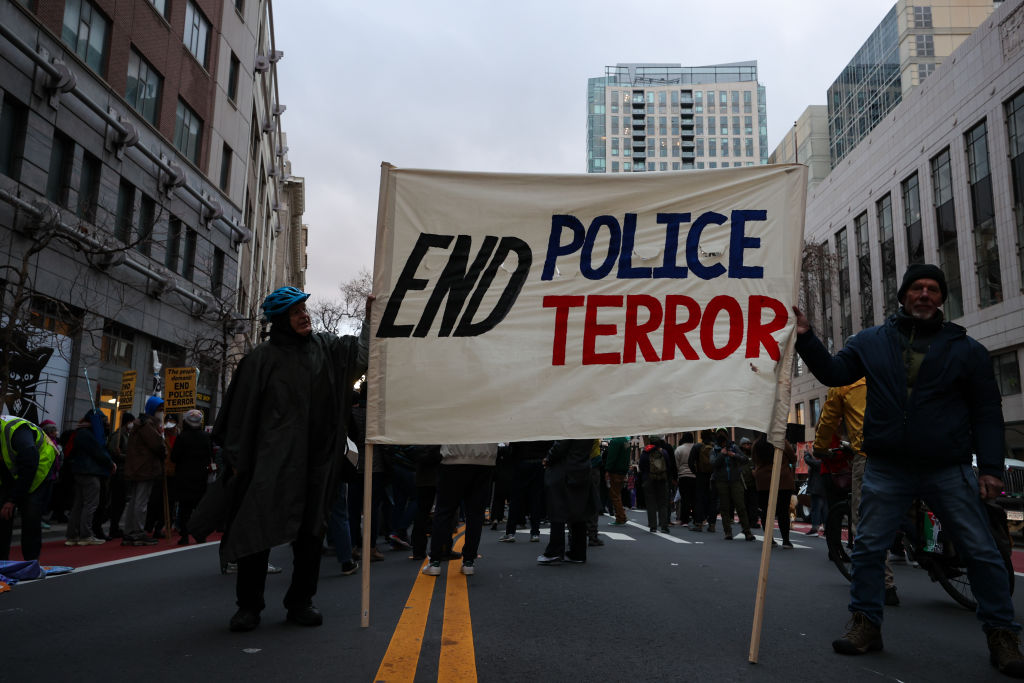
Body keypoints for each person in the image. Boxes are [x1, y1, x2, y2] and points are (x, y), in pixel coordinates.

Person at [793, 263, 1024, 676]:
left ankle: (1002, 634)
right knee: (866, 548)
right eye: (916, 288)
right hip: (887, 466)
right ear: (902, 296)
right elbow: (833, 373)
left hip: (947, 467)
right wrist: (806, 337)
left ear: (941, 298)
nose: (924, 294)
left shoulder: (966, 349)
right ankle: (866, 623)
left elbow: (987, 412)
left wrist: (990, 468)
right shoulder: (869, 342)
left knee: (982, 552)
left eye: (933, 288)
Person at [214, 286, 369, 632]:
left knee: (311, 533)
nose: (304, 315)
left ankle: (301, 601)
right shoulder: (259, 360)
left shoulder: (325, 348)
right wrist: (238, 461)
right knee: (257, 532)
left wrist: (370, 318)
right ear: (280, 320)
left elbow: (360, 356)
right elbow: (239, 416)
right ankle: (249, 606)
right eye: (296, 312)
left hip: (315, 462)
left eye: (304, 309)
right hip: (270, 464)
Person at [813, 367, 900, 606]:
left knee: (865, 520)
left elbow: (828, 419)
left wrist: (820, 449)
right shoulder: (887, 372)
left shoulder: (843, 382)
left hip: (869, 453)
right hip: (904, 449)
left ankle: (885, 585)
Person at [422, 443, 497, 576]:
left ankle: (435, 562)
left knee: (444, 511)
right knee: (475, 514)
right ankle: (468, 562)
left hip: (453, 457)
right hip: (485, 458)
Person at [0, 416, 57, 561]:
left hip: (38, 466)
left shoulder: (15, 432)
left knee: (30, 513)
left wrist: (12, 499)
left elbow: (30, 463)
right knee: (3, 514)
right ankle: (2, 561)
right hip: (16, 469)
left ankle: (31, 561)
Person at [537, 439, 599, 565]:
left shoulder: (570, 422)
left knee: (557, 509)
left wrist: (548, 458)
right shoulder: (589, 425)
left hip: (564, 469)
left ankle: (554, 552)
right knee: (579, 512)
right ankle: (578, 553)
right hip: (582, 468)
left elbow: (561, 445)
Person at [66, 410, 115, 546]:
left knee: (78, 505)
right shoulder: (88, 435)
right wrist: (110, 463)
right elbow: (98, 452)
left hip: (79, 471)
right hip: (90, 472)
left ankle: (72, 535)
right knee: (90, 505)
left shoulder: (80, 432)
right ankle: (86, 535)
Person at [121, 396, 165, 547]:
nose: (162, 413)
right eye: (160, 410)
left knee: (134, 501)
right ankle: (138, 532)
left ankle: (130, 532)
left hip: (137, 467)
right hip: (144, 468)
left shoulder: (140, 424)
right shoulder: (147, 425)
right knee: (141, 502)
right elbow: (158, 445)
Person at [171, 409, 214, 545]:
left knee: (184, 509)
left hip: (184, 477)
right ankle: (200, 535)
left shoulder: (182, 437)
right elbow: (210, 456)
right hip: (200, 477)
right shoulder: (205, 437)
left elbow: (174, 457)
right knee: (199, 509)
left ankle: (184, 536)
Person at [752, 434, 796, 548]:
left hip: (763, 482)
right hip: (782, 480)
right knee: (783, 511)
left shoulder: (757, 444)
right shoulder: (781, 441)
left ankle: (769, 540)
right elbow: (793, 458)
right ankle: (786, 540)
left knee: (765, 512)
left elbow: (754, 460)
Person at [499, 440, 549, 543]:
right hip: (539, 462)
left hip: (522, 461)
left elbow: (512, 448)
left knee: (516, 499)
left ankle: (510, 532)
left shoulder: (522, 428)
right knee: (536, 499)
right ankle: (535, 533)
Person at [710, 428, 754, 541]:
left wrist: (733, 455)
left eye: (723, 433)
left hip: (735, 480)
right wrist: (722, 455)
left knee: (741, 506)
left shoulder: (734, 447)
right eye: (719, 433)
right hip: (721, 481)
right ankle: (728, 532)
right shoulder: (714, 449)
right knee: (724, 507)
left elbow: (745, 459)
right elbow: (713, 464)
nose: (721, 435)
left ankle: (747, 532)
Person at [105, 413, 135, 539]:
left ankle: (115, 526)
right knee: (117, 502)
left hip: (124, 472)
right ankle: (112, 526)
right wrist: (128, 457)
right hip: (118, 473)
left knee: (121, 502)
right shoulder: (118, 436)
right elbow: (114, 453)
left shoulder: (126, 435)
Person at [638, 442, 671, 533]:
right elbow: (668, 466)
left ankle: (653, 526)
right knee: (663, 503)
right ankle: (664, 525)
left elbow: (641, 467)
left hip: (648, 479)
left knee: (650, 503)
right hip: (662, 479)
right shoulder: (663, 452)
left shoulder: (645, 453)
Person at [604, 436, 630, 525]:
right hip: (623, 471)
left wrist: (607, 469)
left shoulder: (615, 442)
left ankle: (621, 517)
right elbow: (627, 456)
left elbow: (612, 457)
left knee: (614, 495)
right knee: (618, 494)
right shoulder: (626, 441)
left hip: (615, 471)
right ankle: (621, 516)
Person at [674, 433, 696, 527]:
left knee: (685, 499)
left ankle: (685, 520)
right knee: (695, 498)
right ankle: (697, 519)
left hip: (683, 475)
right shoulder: (696, 447)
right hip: (695, 476)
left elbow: (676, 464)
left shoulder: (679, 449)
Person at [803, 449, 827, 535]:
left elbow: (809, 461)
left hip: (817, 488)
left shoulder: (819, 462)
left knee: (816, 508)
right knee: (824, 509)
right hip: (824, 488)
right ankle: (826, 527)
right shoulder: (826, 460)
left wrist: (806, 454)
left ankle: (815, 528)